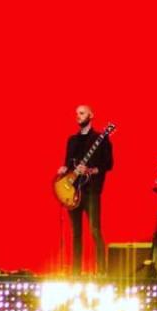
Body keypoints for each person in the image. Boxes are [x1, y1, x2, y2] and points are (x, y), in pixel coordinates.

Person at [57, 104, 113, 275]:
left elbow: (108, 164)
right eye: (77, 113)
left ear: (91, 115)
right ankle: (75, 272)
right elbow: (68, 163)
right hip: (74, 191)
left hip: (91, 191)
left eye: (82, 113)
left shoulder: (101, 139)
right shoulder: (72, 140)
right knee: (76, 233)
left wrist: (90, 170)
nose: (78, 116)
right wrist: (64, 169)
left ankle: (102, 271)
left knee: (95, 230)